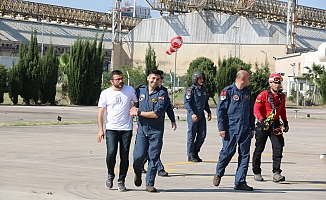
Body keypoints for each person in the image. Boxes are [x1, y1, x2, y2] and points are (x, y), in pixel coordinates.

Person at [213, 70, 255, 191]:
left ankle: (240, 181)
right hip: (231, 128)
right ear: (242, 79)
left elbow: (250, 112)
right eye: (248, 78)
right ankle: (219, 173)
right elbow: (221, 111)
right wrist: (221, 128)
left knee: (245, 155)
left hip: (245, 129)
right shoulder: (228, 92)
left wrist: (252, 127)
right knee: (227, 152)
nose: (249, 80)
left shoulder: (247, 92)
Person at [97, 70, 138, 191]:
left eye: (122, 78)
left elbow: (136, 102)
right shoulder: (105, 93)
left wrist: (135, 108)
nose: (121, 81)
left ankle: (121, 180)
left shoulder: (130, 90)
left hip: (126, 129)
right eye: (118, 79)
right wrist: (100, 130)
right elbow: (101, 113)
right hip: (111, 128)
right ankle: (110, 175)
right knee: (111, 154)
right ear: (112, 81)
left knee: (124, 155)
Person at [130, 69, 169, 192]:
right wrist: (134, 109)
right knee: (138, 156)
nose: (155, 81)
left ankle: (150, 184)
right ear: (148, 78)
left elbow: (156, 114)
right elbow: (134, 103)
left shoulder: (162, 94)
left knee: (153, 157)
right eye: (153, 78)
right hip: (142, 129)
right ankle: (137, 171)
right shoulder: (140, 90)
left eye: (157, 79)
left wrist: (139, 113)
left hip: (156, 131)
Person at [252, 72, 289, 182]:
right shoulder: (263, 95)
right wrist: (261, 120)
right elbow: (256, 109)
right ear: (270, 83)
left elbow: (282, 110)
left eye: (279, 82)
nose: (278, 85)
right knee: (259, 149)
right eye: (275, 82)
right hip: (263, 124)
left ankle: (276, 172)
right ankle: (257, 171)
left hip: (275, 125)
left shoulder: (282, 96)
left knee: (278, 148)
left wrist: (285, 122)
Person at [141, 70, 177, 177]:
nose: (158, 81)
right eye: (156, 79)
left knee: (154, 149)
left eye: (160, 79)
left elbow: (168, 107)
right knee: (148, 150)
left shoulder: (163, 92)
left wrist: (173, 120)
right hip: (145, 125)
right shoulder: (144, 90)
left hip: (157, 126)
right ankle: (156, 167)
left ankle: (156, 167)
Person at [184, 71, 212, 162]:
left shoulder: (203, 90)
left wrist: (208, 111)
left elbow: (205, 102)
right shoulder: (190, 90)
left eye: (202, 78)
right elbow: (187, 103)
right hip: (193, 116)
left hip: (201, 116)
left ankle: (196, 152)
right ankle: (190, 155)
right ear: (195, 79)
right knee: (191, 135)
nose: (202, 80)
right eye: (200, 78)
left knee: (202, 135)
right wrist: (192, 113)